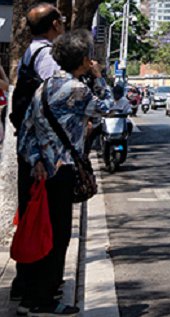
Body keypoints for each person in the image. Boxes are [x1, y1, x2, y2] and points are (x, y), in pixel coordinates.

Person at [17, 29, 111, 315]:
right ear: (84, 59)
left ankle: (31, 294)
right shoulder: (78, 90)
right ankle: (46, 299)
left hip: (41, 173)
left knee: (39, 231)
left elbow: (25, 133)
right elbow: (108, 106)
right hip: (63, 172)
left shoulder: (43, 87)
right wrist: (99, 77)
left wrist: (36, 161)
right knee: (57, 236)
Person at [9, 3, 65, 306]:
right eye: (63, 20)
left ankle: (27, 282)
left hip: (32, 150)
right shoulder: (45, 56)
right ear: (55, 24)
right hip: (41, 154)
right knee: (45, 223)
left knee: (34, 218)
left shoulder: (32, 52)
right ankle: (39, 294)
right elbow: (55, 100)